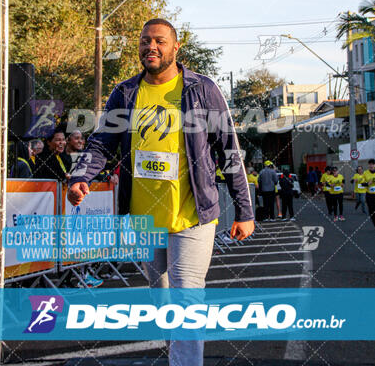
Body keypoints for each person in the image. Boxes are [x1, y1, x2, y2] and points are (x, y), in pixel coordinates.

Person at [67, 18, 254, 366]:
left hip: (191, 215)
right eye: (144, 41)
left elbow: (229, 149)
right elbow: (101, 144)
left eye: (159, 41)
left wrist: (244, 211)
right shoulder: (124, 93)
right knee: (161, 299)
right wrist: (82, 176)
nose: (150, 47)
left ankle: (183, 360)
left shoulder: (202, 89)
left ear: (175, 47)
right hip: (143, 220)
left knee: (187, 297)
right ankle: (179, 348)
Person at [362, 159, 375, 232]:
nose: (371, 165)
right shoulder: (365, 173)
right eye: (370, 164)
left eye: (372, 164)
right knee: (372, 212)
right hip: (369, 195)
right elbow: (361, 184)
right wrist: (367, 184)